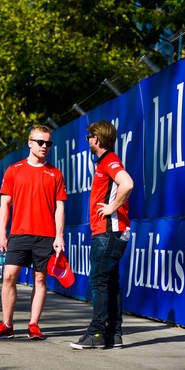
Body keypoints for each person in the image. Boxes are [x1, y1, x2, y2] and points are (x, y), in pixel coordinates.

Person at [0, 125, 67, 341]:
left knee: (40, 280)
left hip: (46, 236)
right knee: (8, 276)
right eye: (40, 142)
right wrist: (2, 234)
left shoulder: (55, 174)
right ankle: (7, 325)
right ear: (30, 143)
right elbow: (5, 205)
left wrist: (59, 236)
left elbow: (60, 208)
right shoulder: (14, 170)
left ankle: (34, 325)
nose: (45, 147)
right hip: (19, 234)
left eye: (48, 143)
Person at [70, 120, 134, 350]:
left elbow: (127, 183)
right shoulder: (105, 162)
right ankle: (113, 334)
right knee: (111, 283)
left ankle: (96, 334)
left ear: (96, 139)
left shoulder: (109, 160)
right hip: (114, 232)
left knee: (98, 282)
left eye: (89, 137)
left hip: (109, 232)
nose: (88, 141)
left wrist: (111, 208)